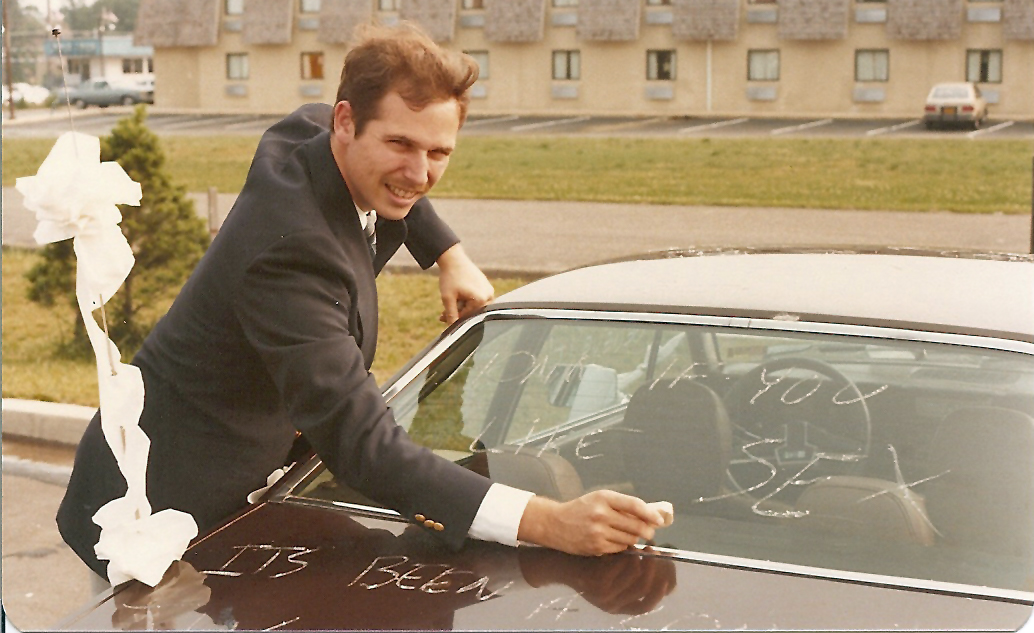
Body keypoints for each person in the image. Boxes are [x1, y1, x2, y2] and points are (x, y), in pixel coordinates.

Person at [57, 22, 664, 583]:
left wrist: (447, 252)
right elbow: (361, 443)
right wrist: (548, 521)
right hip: (156, 510)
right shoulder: (290, 253)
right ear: (345, 122)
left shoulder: (307, 135)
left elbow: (397, 175)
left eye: (439, 152)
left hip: (253, 480)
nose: (419, 173)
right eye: (400, 143)